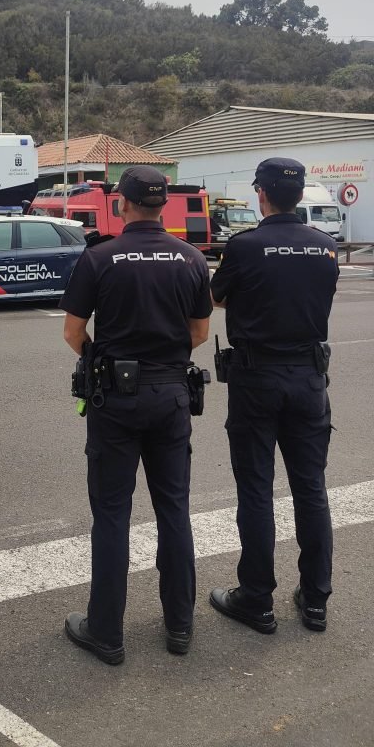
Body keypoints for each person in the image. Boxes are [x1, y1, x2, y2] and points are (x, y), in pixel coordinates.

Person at [60, 165, 212, 664]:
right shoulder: (191, 259)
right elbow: (200, 333)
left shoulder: (100, 257)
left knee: (111, 515)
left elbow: (73, 333)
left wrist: (106, 359)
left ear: (121, 204)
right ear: (163, 205)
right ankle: (180, 627)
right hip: (171, 396)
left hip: (116, 400)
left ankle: (106, 632)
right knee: (173, 511)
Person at [209, 158, 339, 635]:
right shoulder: (326, 247)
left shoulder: (245, 246)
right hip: (308, 379)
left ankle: (257, 599)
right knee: (311, 490)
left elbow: (217, 297)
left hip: (256, 378)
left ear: (260, 194)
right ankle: (316, 598)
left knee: (256, 490)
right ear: (301, 196)